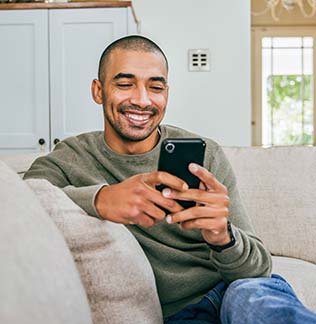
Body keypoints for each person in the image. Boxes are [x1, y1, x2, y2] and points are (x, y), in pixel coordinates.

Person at [24, 35, 316, 323]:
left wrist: (222, 236)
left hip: (235, 291)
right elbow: (19, 200)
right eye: (125, 84)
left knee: (254, 300)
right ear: (98, 91)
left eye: (156, 87)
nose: (142, 100)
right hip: (182, 312)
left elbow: (259, 269)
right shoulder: (72, 157)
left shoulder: (207, 154)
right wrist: (101, 199)